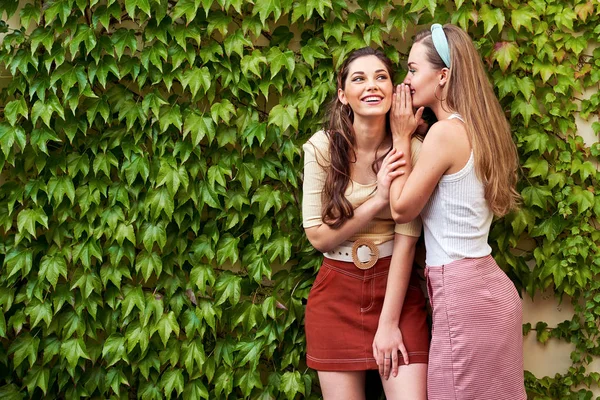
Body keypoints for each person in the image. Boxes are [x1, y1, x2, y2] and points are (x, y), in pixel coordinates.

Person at [387, 24, 527, 399]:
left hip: (462, 292)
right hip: (488, 288)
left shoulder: (445, 134)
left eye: (414, 70)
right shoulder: (480, 128)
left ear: (443, 75)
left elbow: (401, 208)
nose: (407, 80)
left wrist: (401, 137)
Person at [302, 47, 429, 400]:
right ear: (343, 95)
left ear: (394, 90)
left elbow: (407, 238)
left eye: (381, 77)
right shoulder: (321, 149)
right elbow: (318, 238)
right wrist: (378, 199)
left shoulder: (414, 150)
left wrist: (389, 323)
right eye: (359, 79)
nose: (371, 86)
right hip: (335, 293)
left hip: (397, 291)